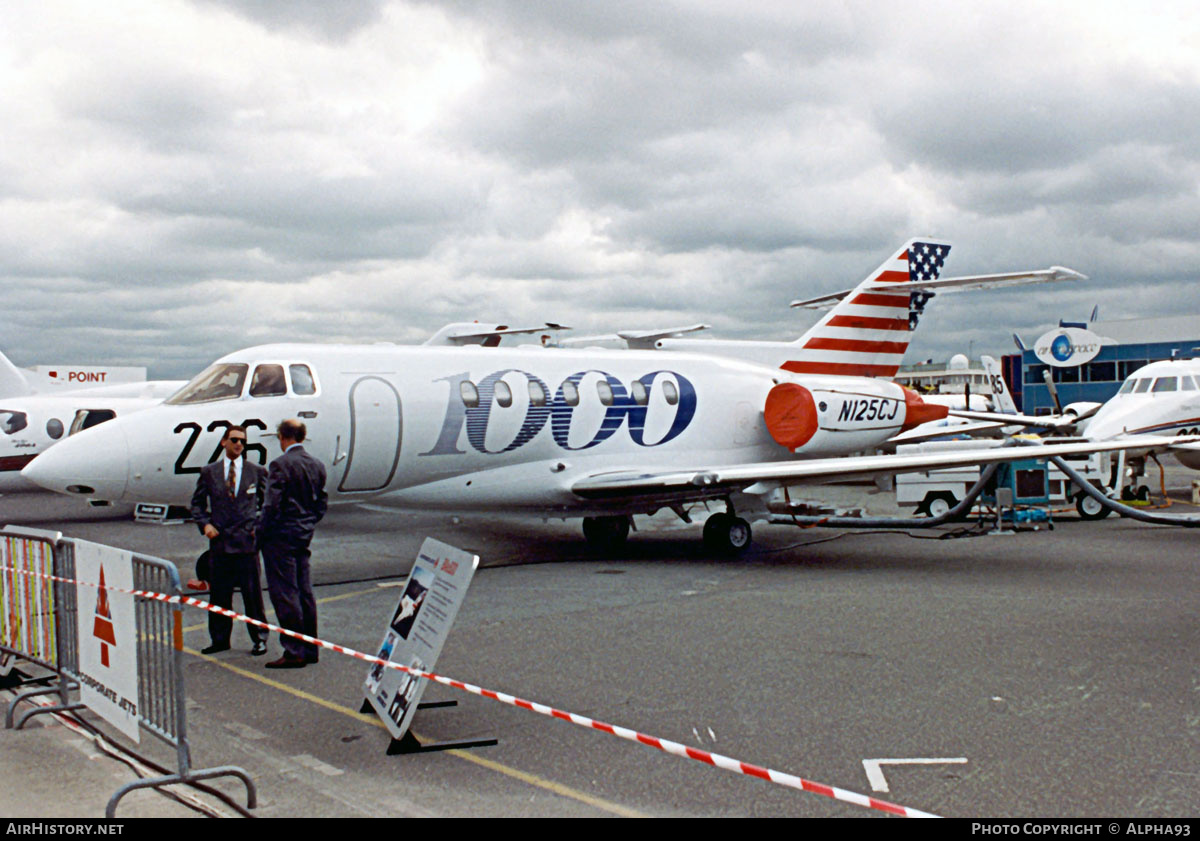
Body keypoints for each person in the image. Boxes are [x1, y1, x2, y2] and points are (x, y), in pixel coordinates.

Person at [189, 426, 269, 656]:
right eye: (234, 440)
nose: (238, 444)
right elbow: (197, 504)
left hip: (246, 544)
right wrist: (205, 524)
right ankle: (220, 639)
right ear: (224, 442)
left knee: (252, 596)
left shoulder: (256, 472)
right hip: (220, 543)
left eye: (242, 441)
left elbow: (268, 504)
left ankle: (259, 638)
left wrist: (257, 527)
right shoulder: (209, 472)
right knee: (219, 595)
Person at [257, 418, 327, 669]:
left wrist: (261, 533)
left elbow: (272, 505)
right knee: (304, 591)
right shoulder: (317, 465)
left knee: (285, 593)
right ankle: (310, 648)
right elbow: (321, 502)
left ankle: (293, 650)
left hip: (281, 536)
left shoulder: (280, 465)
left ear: (281, 437)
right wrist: (308, 523)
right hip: (303, 533)